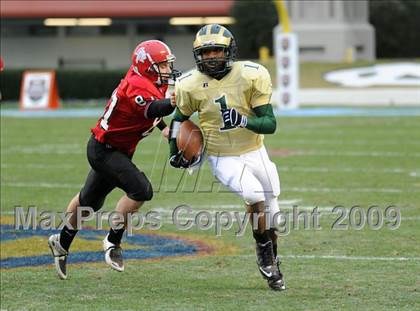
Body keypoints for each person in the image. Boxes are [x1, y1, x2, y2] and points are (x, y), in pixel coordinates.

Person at [48, 40, 181, 279]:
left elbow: (149, 111)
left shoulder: (149, 81)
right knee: (141, 190)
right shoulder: (137, 84)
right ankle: (112, 241)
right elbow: (152, 108)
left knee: (89, 202)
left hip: (116, 149)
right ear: (148, 67)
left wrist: (162, 127)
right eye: (162, 65)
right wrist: (174, 103)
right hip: (104, 150)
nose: (167, 70)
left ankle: (61, 242)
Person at [168, 24, 285, 291]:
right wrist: (173, 153)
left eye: (216, 50)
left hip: (255, 150)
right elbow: (178, 120)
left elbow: (270, 124)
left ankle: (273, 261)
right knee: (253, 194)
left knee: (275, 217)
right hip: (222, 156)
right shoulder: (190, 84)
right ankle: (264, 253)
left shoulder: (251, 75)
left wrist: (244, 120)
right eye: (205, 51)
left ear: (229, 51)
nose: (210, 56)